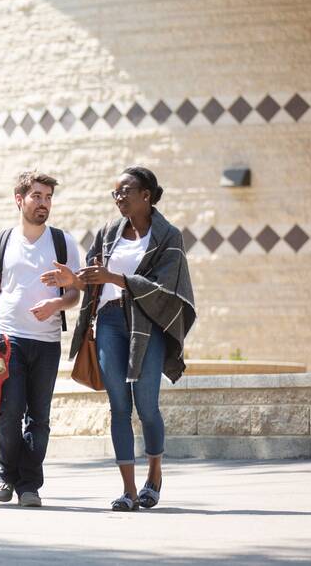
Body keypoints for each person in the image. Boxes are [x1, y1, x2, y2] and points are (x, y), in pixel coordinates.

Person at [43, 166, 196, 511]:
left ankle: (154, 476)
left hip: (148, 324)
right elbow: (96, 280)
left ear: (146, 195)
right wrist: (76, 279)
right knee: (119, 407)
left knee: (147, 406)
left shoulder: (167, 236)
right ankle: (128, 490)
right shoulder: (109, 231)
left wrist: (115, 276)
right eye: (115, 193)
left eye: (126, 191)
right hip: (110, 320)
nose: (119, 198)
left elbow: (165, 289)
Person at [0, 171, 81, 508]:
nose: (44, 203)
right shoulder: (2, 242)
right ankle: (7, 475)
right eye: (37, 196)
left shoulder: (64, 243)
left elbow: (73, 295)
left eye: (48, 197)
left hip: (48, 342)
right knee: (10, 412)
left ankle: (29, 485)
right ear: (19, 199)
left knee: (39, 416)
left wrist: (58, 301)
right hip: (10, 340)